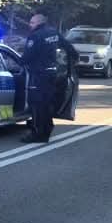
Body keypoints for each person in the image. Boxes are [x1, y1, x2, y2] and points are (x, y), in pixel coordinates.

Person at [19, 10, 75, 144]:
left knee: (36, 104)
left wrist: (19, 61)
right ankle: (46, 130)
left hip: (38, 75)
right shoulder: (53, 33)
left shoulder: (35, 36)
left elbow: (27, 57)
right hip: (52, 74)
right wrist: (72, 63)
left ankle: (37, 133)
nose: (30, 25)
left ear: (39, 22)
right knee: (46, 103)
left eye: (32, 22)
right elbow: (68, 47)